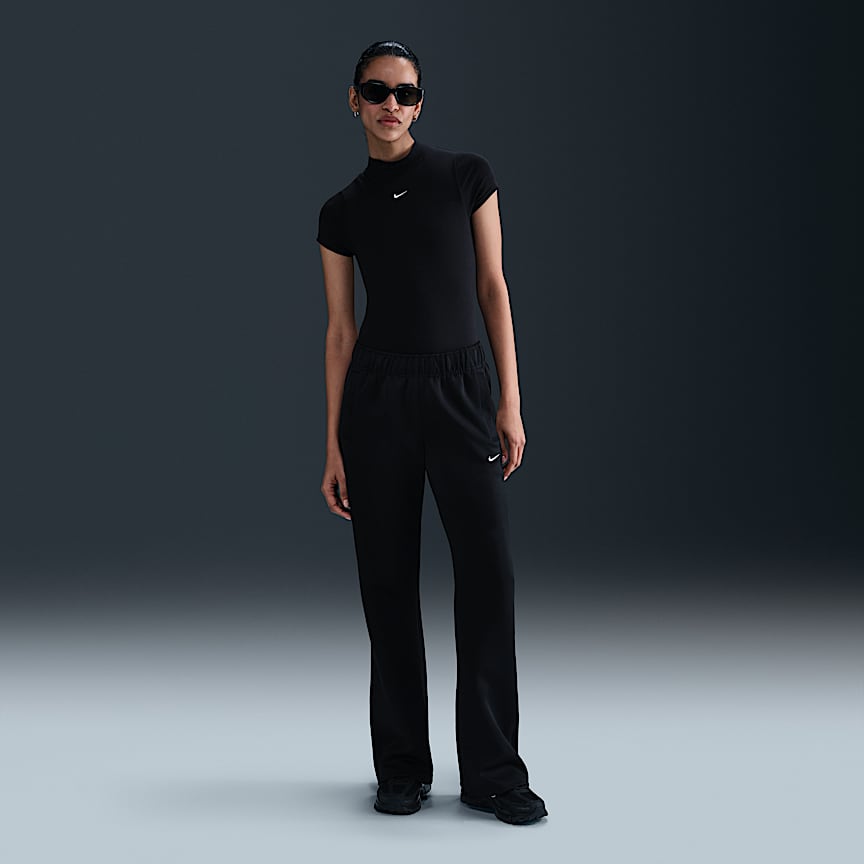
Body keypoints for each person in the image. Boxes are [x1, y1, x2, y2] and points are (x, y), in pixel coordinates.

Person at [316, 39, 547, 826]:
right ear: (354, 100)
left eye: (406, 93)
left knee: (487, 574)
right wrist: (333, 443)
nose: (392, 105)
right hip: (378, 396)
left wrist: (509, 402)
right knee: (385, 581)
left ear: (421, 103)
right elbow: (340, 331)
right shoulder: (342, 210)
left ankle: (493, 773)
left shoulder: (464, 176)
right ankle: (402, 768)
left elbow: (492, 287)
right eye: (377, 91)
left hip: (460, 389)